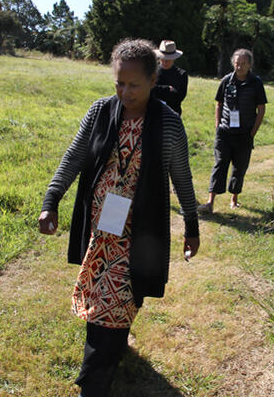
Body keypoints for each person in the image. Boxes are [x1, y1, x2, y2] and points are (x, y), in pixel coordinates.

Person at [38, 39, 200, 397]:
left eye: (134, 85)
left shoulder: (168, 125)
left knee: (115, 308)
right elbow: (74, 158)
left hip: (137, 237)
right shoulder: (100, 112)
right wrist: (52, 199)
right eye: (119, 83)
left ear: (153, 80)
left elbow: (182, 178)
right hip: (100, 232)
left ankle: (93, 384)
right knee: (105, 310)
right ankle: (105, 359)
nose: (125, 92)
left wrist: (191, 224)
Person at [199, 49, 267, 212]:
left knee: (239, 167)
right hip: (224, 132)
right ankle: (210, 202)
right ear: (233, 63)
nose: (239, 67)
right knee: (220, 164)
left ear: (250, 65)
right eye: (237, 63)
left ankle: (234, 199)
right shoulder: (226, 81)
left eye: (243, 64)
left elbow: (261, 109)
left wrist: (252, 133)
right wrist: (218, 125)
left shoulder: (256, 83)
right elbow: (219, 104)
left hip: (244, 134)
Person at [152, 40, 188, 115]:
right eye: (163, 58)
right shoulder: (152, 71)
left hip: (172, 114)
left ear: (174, 58)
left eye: (168, 59)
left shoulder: (181, 74)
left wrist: (157, 90)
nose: (165, 62)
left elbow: (179, 97)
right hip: (153, 112)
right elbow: (147, 90)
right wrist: (168, 89)